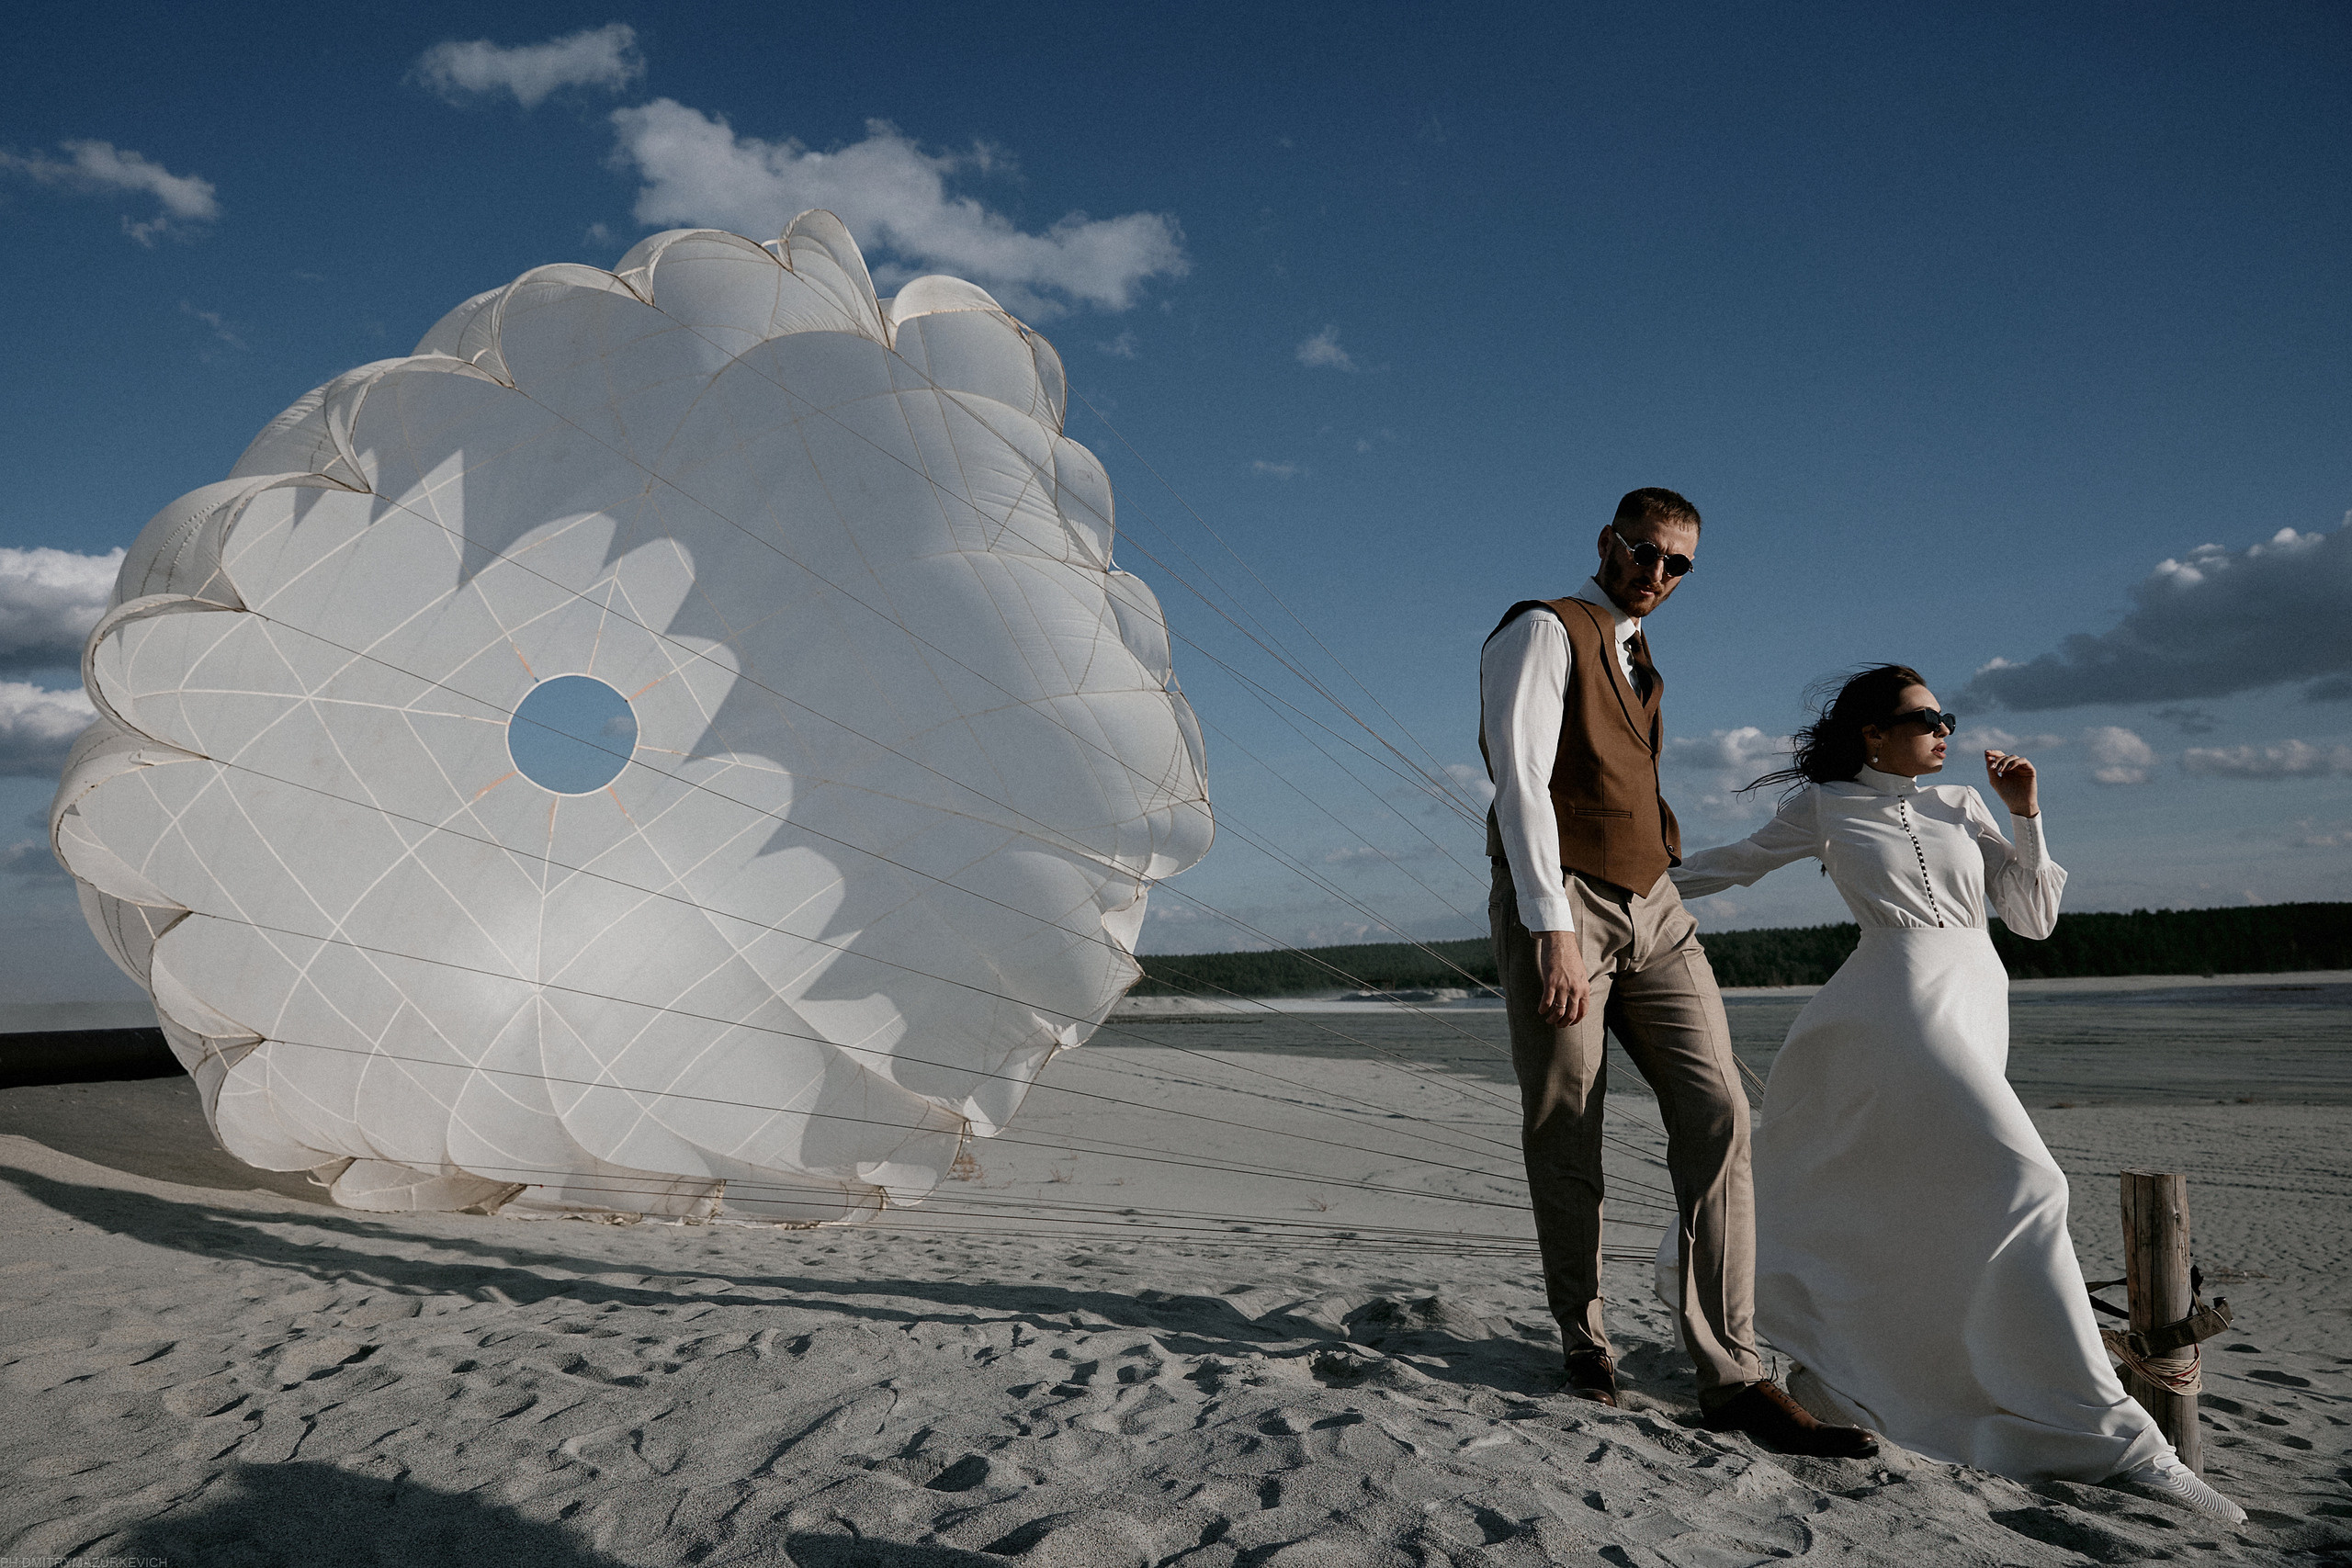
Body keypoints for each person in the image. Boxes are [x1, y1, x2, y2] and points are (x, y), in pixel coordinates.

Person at [1668, 665, 2245, 1522]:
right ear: (1872, 732)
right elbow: (1731, 864)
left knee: (1926, 1203)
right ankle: (2123, 1444)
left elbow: (2034, 918)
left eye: (1947, 714)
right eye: (1925, 716)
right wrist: (1600, 881)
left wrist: (2027, 814)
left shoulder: (1965, 806)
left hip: (1976, 1000)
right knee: (2030, 1183)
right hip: (1892, 1008)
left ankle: (1847, 1364)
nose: (1945, 728)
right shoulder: (1827, 804)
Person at [1479, 487, 1875, 1458]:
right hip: (1562, 903)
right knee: (1566, 1123)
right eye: (1644, 552)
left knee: (1720, 1115)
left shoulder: (1641, 658)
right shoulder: (1542, 630)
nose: (1657, 574)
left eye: (1678, 564)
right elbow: (1519, 782)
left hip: (1655, 907)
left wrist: (1670, 872)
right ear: (1606, 541)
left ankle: (1732, 1373)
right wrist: (1549, 930)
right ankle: (1585, 1347)